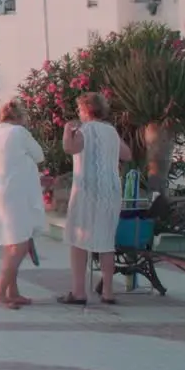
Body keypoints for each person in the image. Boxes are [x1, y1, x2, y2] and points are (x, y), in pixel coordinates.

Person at [59, 92, 132, 306]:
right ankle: (108, 291)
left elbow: (69, 148)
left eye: (80, 109)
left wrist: (67, 132)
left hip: (87, 191)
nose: (78, 113)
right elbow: (127, 154)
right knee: (106, 240)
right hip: (110, 191)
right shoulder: (111, 131)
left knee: (78, 239)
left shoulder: (84, 130)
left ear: (86, 110)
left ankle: (78, 292)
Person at [0, 100, 47, 309]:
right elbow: (39, 155)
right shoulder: (18, 132)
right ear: (20, 117)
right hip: (14, 194)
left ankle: (13, 291)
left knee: (10, 243)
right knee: (20, 244)